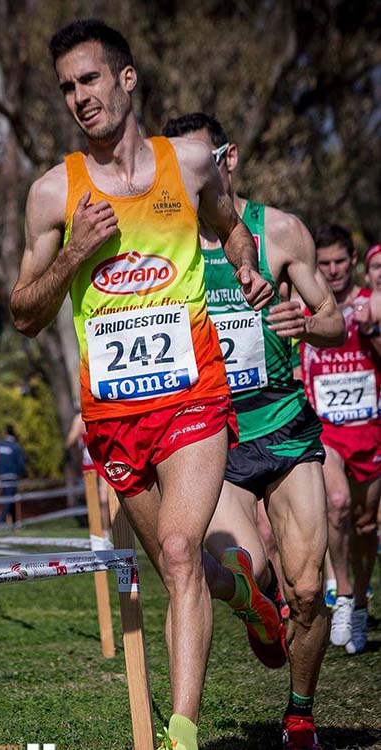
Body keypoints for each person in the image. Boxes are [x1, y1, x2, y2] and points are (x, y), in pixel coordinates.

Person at [11, 20, 279, 750]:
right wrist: (75, 254)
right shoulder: (51, 195)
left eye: (90, 79)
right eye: (67, 87)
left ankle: (181, 736)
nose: (79, 98)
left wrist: (249, 267)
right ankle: (250, 597)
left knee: (183, 549)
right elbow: (24, 313)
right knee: (178, 568)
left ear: (127, 79)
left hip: (192, 398)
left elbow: (231, 226)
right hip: (114, 417)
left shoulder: (189, 163)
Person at [163, 112, 345, 750]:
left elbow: (335, 322)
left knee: (308, 590)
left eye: (199, 162)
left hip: (287, 428)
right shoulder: (168, 246)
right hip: (219, 436)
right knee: (249, 569)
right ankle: (257, 603)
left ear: (228, 159)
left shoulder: (281, 231)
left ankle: (300, 714)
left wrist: (305, 323)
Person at [301, 224, 381, 655]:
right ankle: (345, 595)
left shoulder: (372, 305)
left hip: (370, 428)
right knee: (337, 504)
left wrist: (372, 330)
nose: (331, 270)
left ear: (352, 261)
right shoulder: (306, 303)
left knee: (367, 524)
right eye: (324, 262)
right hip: (327, 429)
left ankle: (363, 598)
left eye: (338, 261)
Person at [0, 425, 26, 524]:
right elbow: (21, 463)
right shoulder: (16, 446)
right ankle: (2, 520)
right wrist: (20, 474)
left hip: (2, 475)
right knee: (9, 498)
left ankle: (13, 521)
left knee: (8, 497)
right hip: (12, 476)